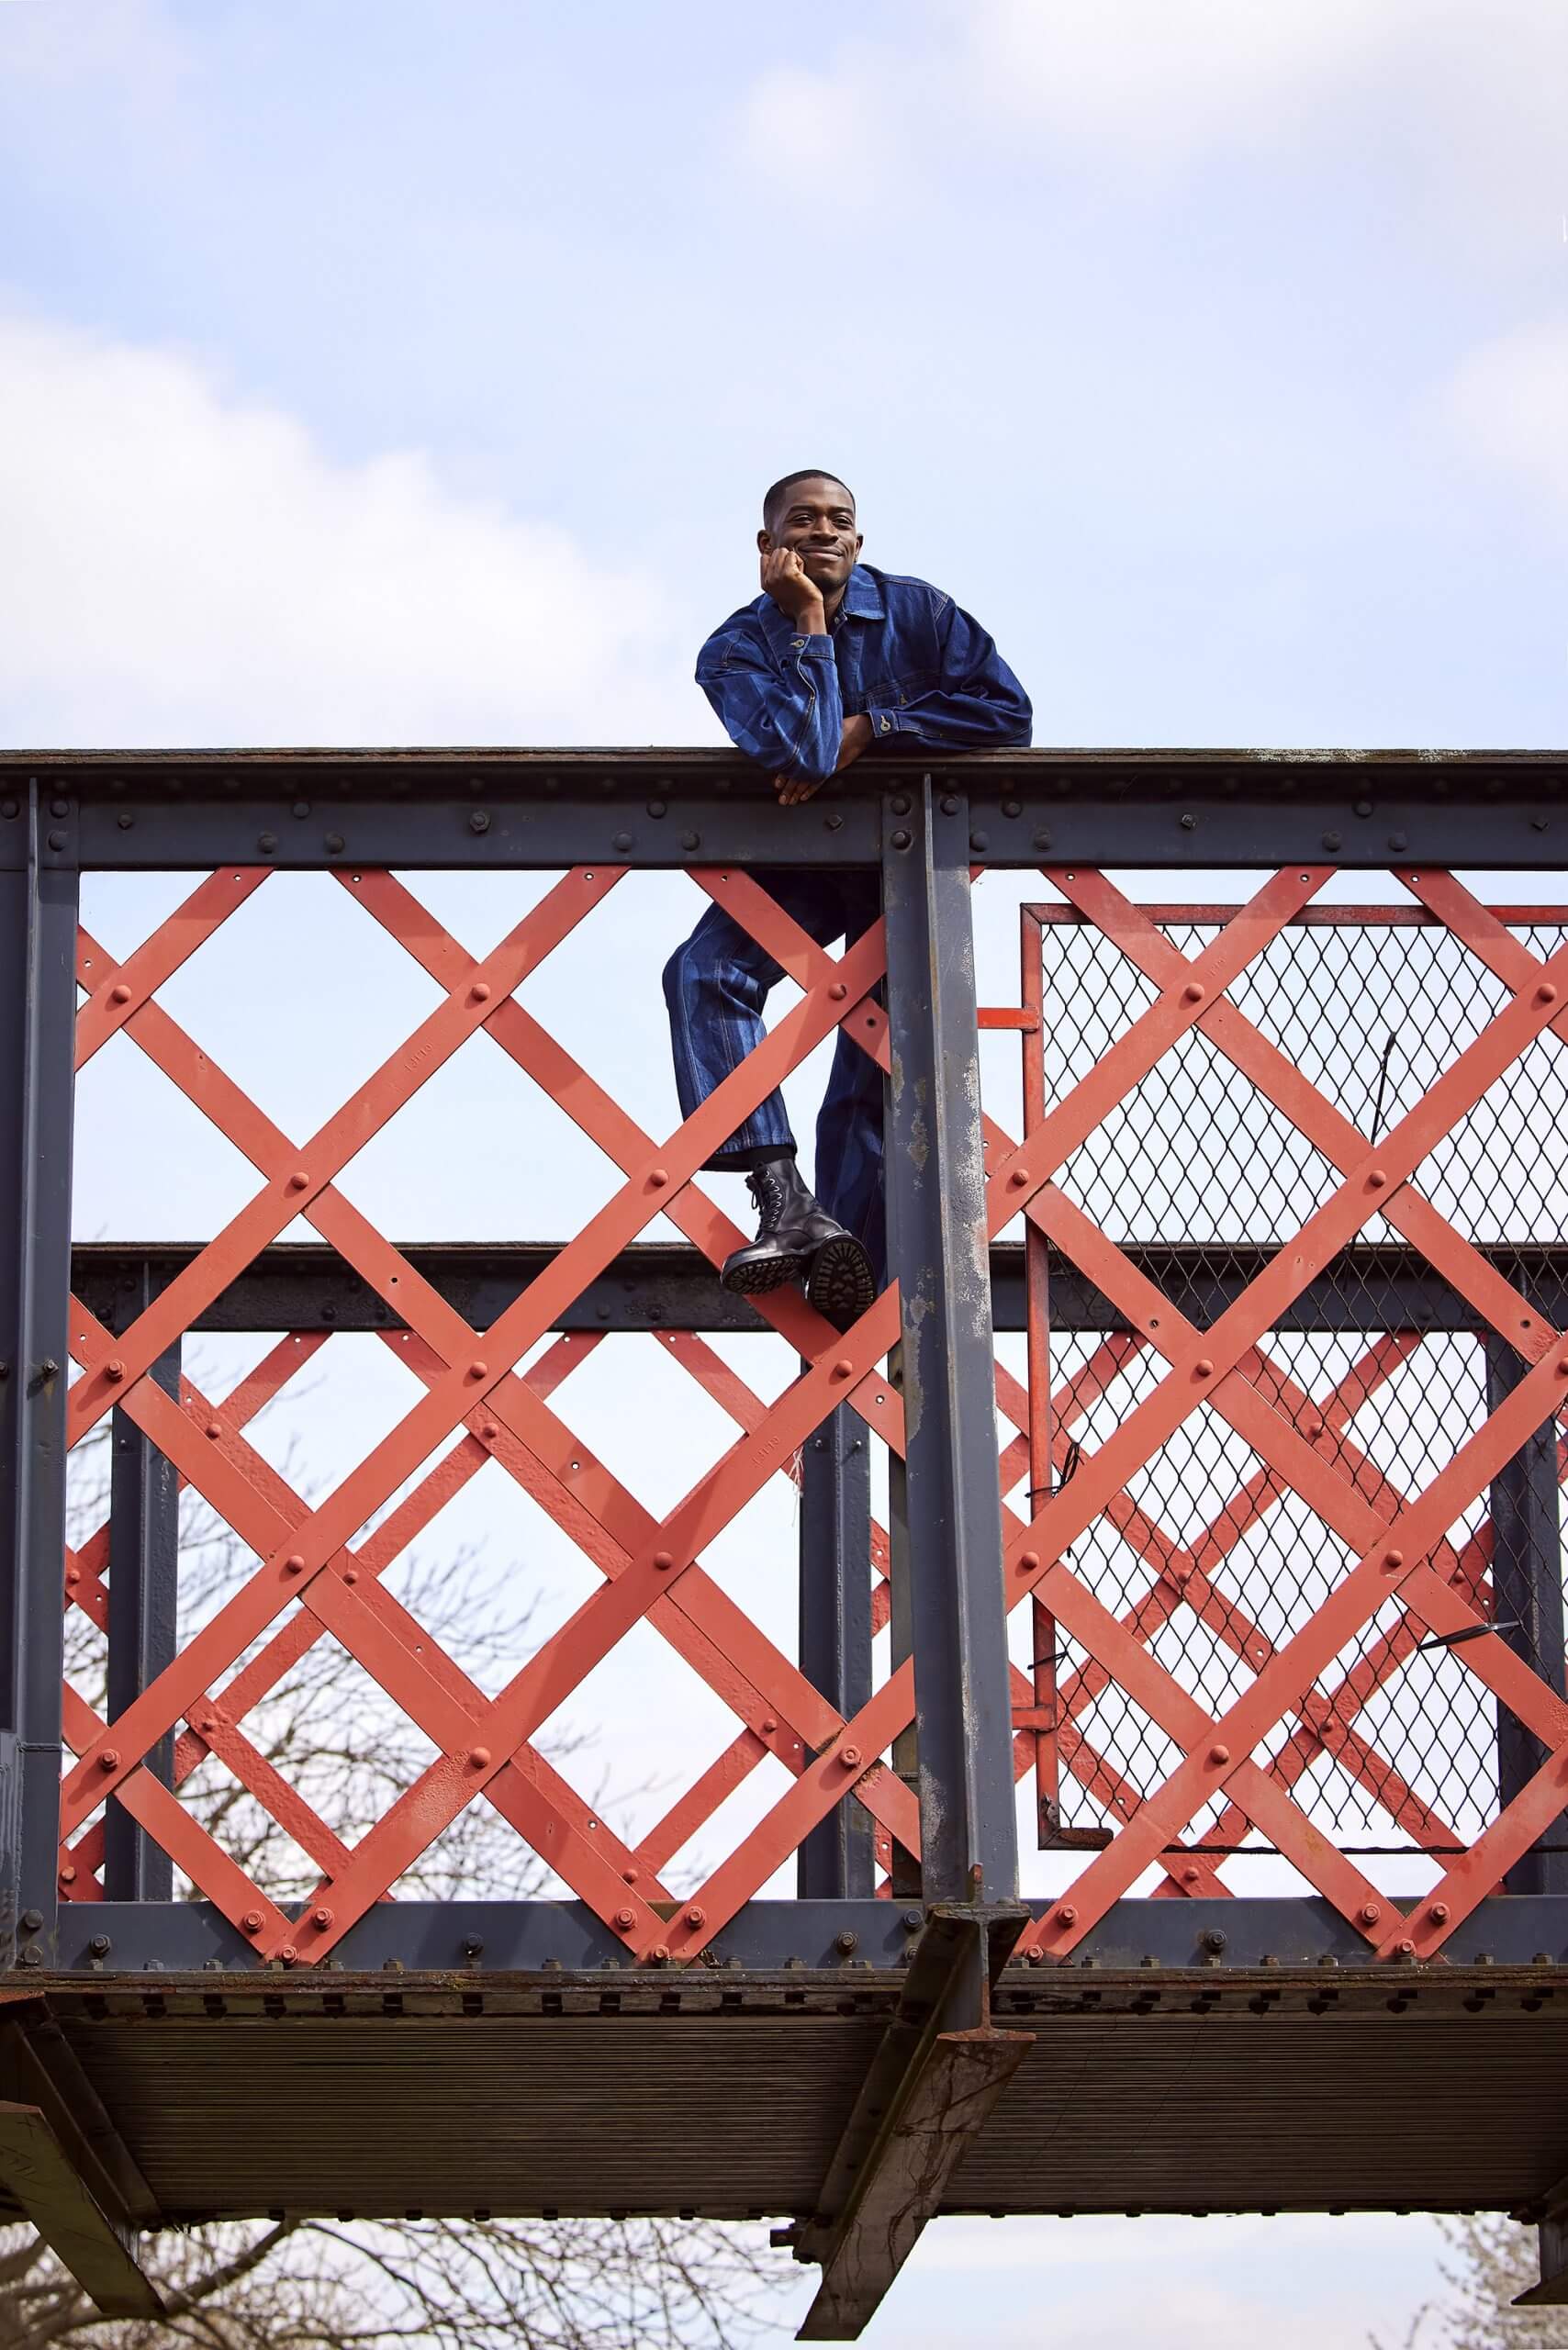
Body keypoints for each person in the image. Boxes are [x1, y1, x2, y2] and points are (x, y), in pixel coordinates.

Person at [663, 470, 1032, 1327]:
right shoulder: (733, 649)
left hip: (896, 872)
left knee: (871, 1065)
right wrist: (809, 624)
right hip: (793, 869)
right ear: (769, 547)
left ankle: (852, 1269)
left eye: (841, 521)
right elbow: (805, 745)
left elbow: (1008, 714)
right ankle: (782, 1197)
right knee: (702, 972)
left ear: (859, 541)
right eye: (804, 520)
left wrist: (882, 727)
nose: (825, 532)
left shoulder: (922, 614)